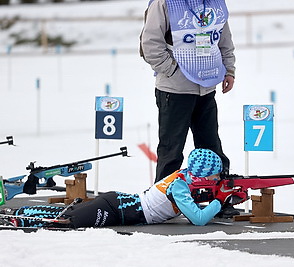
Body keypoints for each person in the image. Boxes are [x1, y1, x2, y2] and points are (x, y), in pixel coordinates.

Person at [1, 149, 237, 228]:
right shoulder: (181, 186)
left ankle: (18, 214)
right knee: (66, 223)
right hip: (118, 209)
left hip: (121, 204)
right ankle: (18, 220)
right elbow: (197, 219)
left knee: (69, 216)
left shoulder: (185, 177)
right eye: (215, 175)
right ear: (203, 173)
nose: (216, 178)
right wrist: (221, 201)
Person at [139, 0, 236, 186]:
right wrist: (172, 70)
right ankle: (163, 200)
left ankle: (219, 195)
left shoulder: (215, 3)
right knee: (171, 151)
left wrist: (229, 70)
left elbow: (224, 39)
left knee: (212, 148)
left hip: (207, 88)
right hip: (174, 90)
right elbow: (150, 43)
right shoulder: (163, 3)